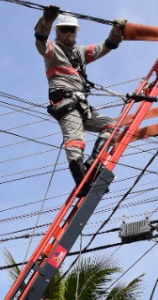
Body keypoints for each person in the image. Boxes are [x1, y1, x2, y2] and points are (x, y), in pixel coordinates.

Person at [34, 6, 126, 185]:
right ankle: (81, 180)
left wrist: (116, 33)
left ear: (76, 32)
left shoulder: (80, 53)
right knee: (75, 140)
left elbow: (105, 47)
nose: (68, 33)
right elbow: (40, 42)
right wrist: (46, 22)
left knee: (112, 126)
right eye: (64, 30)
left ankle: (94, 163)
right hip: (65, 102)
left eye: (71, 30)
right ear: (58, 32)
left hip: (82, 105)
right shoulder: (52, 51)